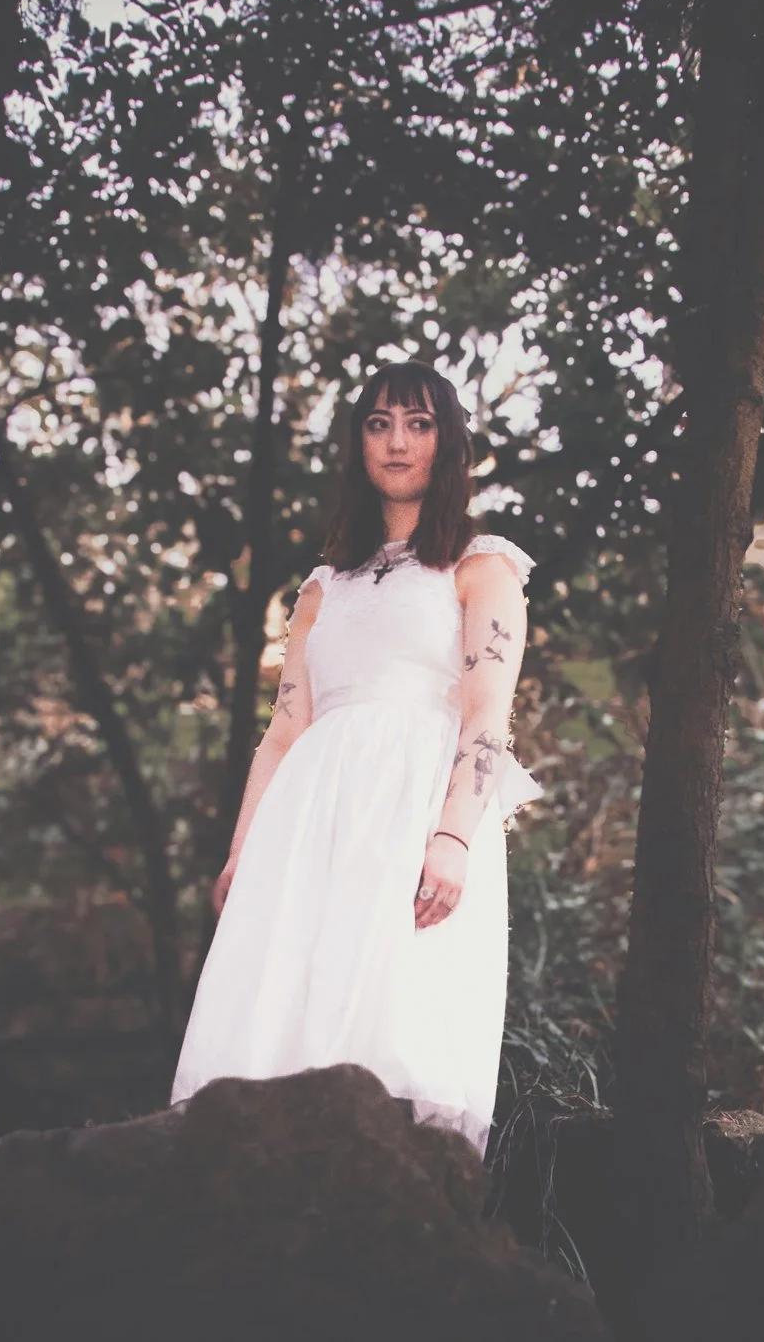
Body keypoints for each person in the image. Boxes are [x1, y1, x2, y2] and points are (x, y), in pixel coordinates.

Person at [168, 360, 541, 1157]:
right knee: (281, 1023)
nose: (397, 442)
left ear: (448, 439)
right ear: (357, 444)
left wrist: (453, 836)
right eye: (378, 424)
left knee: (394, 1022)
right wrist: (243, 849)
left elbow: (486, 713)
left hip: (412, 812)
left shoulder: (483, 566)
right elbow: (284, 727)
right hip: (309, 819)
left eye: (417, 423)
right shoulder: (323, 587)